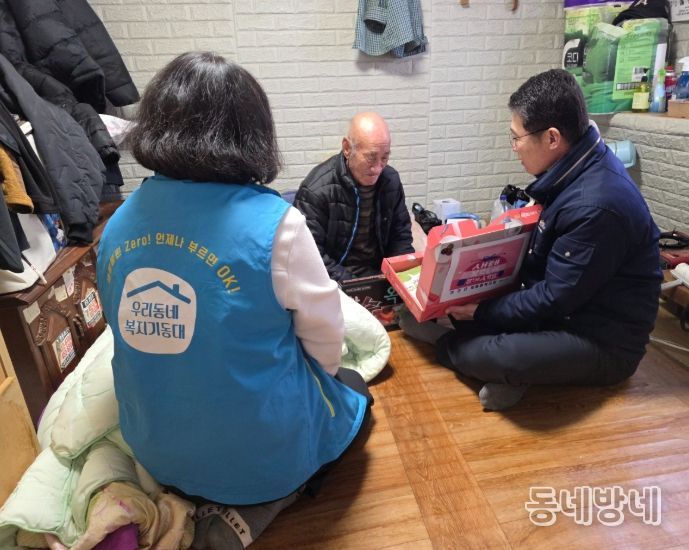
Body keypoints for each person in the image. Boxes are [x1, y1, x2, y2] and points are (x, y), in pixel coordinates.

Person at [96, 52, 372, 546]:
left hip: (155, 449)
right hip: (255, 461)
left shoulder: (117, 223)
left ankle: (200, 496)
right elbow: (325, 339)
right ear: (252, 134)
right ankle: (260, 506)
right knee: (355, 392)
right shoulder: (277, 224)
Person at [403, 69, 662, 411]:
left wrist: (481, 312)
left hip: (600, 339)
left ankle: (459, 347)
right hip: (563, 308)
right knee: (478, 301)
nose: (514, 148)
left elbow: (554, 299)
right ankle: (509, 364)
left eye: (516, 138)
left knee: (494, 353)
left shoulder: (596, 205)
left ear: (552, 138)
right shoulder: (577, 165)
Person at [293, 112, 414, 282]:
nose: (378, 168)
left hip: (380, 273)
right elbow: (311, 256)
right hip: (336, 277)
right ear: (347, 148)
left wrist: (400, 276)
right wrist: (355, 286)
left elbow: (401, 237)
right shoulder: (316, 190)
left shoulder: (390, 181)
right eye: (371, 157)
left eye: (385, 157)